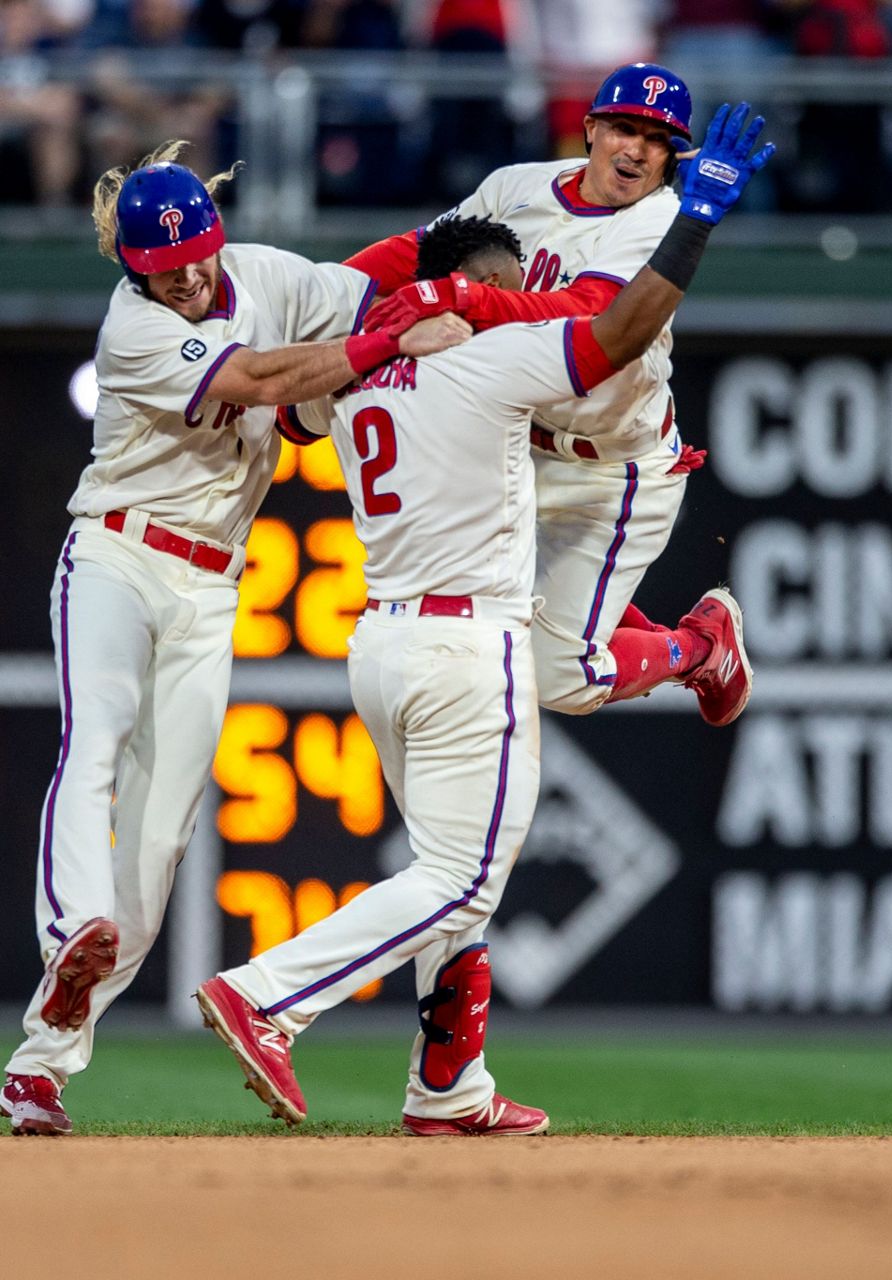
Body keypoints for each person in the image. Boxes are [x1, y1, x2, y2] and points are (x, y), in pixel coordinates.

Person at [194, 105, 774, 1136]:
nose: (522, 296)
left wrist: (371, 319)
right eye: (512, 282)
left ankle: (448, 1086)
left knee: (447, 872)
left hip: (377, 639)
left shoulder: (360, 371)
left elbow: (289, 406)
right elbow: (608, 334)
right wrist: (695, 227)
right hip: (473, 642)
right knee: (459, 875)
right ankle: (268, 993)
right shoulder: (496, 359)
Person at [0, 140, 464, 1138]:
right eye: (167, 266)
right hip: (118, 552)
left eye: (199, 251)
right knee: (97, 739)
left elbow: (354, 280)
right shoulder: (133, 329)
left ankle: (38, 1062)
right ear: (132, 269)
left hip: (214, 582)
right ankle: (68, 925)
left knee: (162, 843)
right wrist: (385, 345)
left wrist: (444, 245)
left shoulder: (255, 271)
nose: (190, 272)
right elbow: (257, 379)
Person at [348, 61, 758, 728]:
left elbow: (587, 320)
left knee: (558, 677)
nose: (636, 150)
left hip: (604, 467)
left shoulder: (660, 220)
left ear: (672, 156)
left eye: (657, 140)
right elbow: (417, 253)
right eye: (625, 128)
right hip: (511, 446)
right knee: (472, 621)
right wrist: (331, 293)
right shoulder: (518, 186)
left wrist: (459, 296)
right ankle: (604, 615)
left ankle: (698, 648)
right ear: (590, 128)